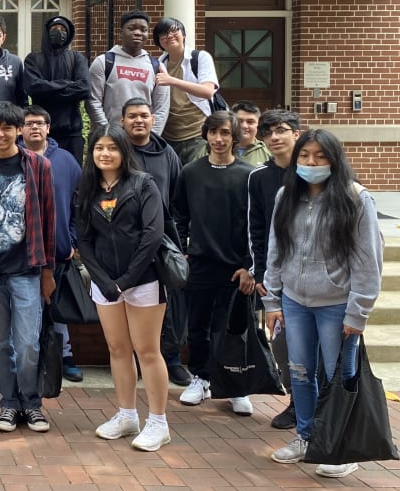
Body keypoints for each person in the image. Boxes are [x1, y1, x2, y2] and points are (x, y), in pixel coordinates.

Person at [264, 129, 383, 479]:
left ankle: (340, 447)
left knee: (338, 376)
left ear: (335, 159)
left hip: (337, 305)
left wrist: (358, 313)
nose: (311, 163)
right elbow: (276, 250)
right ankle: (307, 437)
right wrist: (272, 300)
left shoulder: (356, 198)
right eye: (305, 156)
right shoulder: (287, 195)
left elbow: (368, 261)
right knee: (300, 372)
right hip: (295, 302)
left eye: (320, 156)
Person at [76, 125, 170, 451]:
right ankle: (127, 414)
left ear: (123, 151)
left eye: (112, 148)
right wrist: (103, 281)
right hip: (105, 284)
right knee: (117, 349)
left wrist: (126, 280)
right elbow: (84, 239)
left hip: (143, 280)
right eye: (99, 148)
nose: (105, 153)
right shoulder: (88, 188)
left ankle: (158, 422)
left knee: (147, 351)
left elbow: (152, 235)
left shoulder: (143, 184)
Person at [0, 101, 56, 435]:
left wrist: (48, 272)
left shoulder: (37, 165)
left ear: (18, 130)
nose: (1, 133)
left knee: (28, 343)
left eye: (8, 127)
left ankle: (31, 403)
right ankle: (9, 403)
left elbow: (48, 220)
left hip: (27, 271)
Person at [173, 111, 257, 416]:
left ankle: (235, 385)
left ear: (235, 137)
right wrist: (182, 249)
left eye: (225, 133)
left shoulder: (249, 176)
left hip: (236, 268)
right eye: (213, 132)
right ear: (205, 135)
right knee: (198, 327)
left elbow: (255, 225)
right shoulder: (191, 172)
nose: (219, 139)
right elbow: (179, 214)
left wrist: (251, 265)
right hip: (200, 263)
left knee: (232, 329)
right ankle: (201, 377)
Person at [119, 97, 190, 387]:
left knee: (167, 301)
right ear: (122, 120)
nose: (139, 120)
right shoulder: (116, 150)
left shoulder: (167, 153)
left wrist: (181, 244)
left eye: (144, 115)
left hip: (162, 241)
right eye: (132, 115)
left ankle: (171, 359)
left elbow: (178, 200)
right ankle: (133, 359)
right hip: (123, 240)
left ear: (152, 119)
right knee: (128, 302)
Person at [247, 109, 303, 430]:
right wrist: (259, 275)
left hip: (313, 275)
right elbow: (254, 229)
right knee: (281, 343)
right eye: (268, 133)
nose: (275, 137)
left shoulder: (313, 171)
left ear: (296, 133)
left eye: (282, 130)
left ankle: (320, 404)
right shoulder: (258, 177)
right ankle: (296, 401)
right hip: (275, 278)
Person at [21, 106, 84, 382]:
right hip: (21, 252)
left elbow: (78, 203)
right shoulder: (11, 157)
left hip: (58, 250)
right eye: (29, 123)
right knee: (26, 308)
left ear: (48, 127)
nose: (35, 127)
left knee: (56, 307)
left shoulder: (67, 161)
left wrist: (71, 240)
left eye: (40, 123)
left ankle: (63, 357)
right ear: (21, 129)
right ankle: (29, 362)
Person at [87, 10, 169, 135]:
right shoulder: (104, 62)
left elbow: (161, 107)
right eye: (131, 28)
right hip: (110, 140)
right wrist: (108, 132)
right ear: (121, 33)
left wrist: (151, 137)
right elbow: (92, 101)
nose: (137, 33)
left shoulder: (157, 67)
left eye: (143, 30)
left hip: (142, 140)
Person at [22, 15, 90, 161]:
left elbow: (84, 88)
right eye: (54, 29)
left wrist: (48, 89)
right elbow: (33, 87)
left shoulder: (77, 58)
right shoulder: (33, 59)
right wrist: (67, 83)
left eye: (62, 29)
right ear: (47, 32)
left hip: (71, 134)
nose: (58, 32)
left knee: (72, 178)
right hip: (42, 132)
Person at [153, 17, 220, 165]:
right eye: (163, 34)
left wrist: (172, 80)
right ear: (159, 42)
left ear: (183, 34)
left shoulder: (200, 57)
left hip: (197, 135)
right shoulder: (158, 65)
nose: (169, 36)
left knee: (195, 179)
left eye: (174, 30)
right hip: (168, 137)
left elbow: (208, 91)